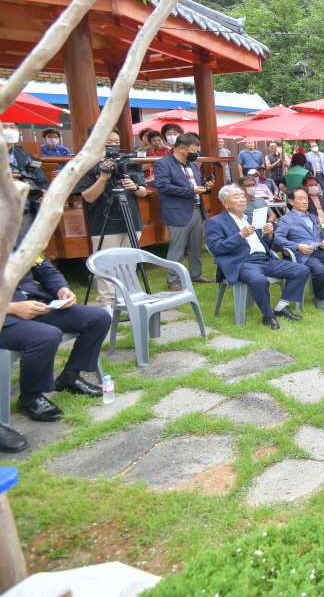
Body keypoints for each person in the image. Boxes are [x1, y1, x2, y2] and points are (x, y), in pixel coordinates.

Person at [0, 233, 111, 450]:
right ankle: (30, 397)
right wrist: (11, 308)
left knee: (98, 317)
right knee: (46, 335)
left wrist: (61, 289)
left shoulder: (15, 235)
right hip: (6, 318)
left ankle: (70, 376)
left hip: (36, 304)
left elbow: (45, 268)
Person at [205, 184, 309, 329]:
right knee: (259, 280)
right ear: (225, 203)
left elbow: (263, 245)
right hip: (242, 262)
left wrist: (270, 234)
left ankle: (281, 307)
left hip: (265, 259)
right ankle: (268, 316)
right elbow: (216, 248)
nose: (242, 199)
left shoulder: (249, 219)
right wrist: (240, 235)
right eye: (236, 196)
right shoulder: (215, 222)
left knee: (302, 270)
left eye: (243, 196)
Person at [73, 129, 150, 315]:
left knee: (129, 263)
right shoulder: (87, 164)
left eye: (116, 141)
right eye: (109, 142)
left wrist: (134, 186)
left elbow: (143, 192)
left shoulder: (126, 162)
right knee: (105, 265)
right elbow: (88, 197)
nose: (114, 145)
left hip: (130, 219)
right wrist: (103, 178)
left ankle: (129, 297)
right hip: (104, 222)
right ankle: (107, 303)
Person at [273, 186, 324, 310]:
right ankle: (319, 297)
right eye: (300, 199)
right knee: (321, 270)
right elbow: (278, 238)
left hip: (323, 250)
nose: (304, 201)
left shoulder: (313, 217)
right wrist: (297, 246)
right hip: (305, 254)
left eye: (306, 198)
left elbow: (323, 233)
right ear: (291, 201)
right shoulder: (285, 220)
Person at [154, 133, 215, 291]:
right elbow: (163, 187)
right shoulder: (163, 164)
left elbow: (197, 184)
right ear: (182, 149)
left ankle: (196, 274)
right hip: (177, 212)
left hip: (197, 210)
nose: (196, 153)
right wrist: (191, 190)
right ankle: (173, 281)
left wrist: (206, 187)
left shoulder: (192, 164)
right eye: (194, 150)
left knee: (196, 246)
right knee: (177, 248)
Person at [5, 123, 49, 231]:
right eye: (3, 127)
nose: (8, 130)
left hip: (25, 214)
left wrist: (43, 193)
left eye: (12, 127)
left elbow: (41, 180)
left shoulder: (26, 155)